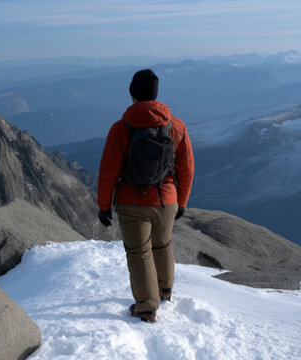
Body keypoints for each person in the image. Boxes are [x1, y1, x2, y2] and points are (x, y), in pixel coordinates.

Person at [97, 69, 194, 323]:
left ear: (132, 95)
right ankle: (164, 289)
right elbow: (186, 168)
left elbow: (108, 172)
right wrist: (181, 201)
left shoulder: (120, 129)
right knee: (162, 244)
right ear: (156, 94)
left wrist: (104, 206)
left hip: (133, 202)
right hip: (166, 200)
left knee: (139, 253)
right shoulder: (177, 126)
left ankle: (147, 307)